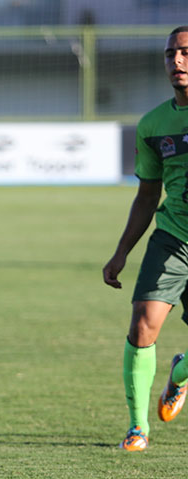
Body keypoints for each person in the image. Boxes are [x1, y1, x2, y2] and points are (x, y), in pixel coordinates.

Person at [102, 26, 188, 451]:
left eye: (186, 53)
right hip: (173, 238)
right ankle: (138, 428)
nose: (177, 61)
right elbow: (148, 194)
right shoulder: (154, 124)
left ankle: (179, 375)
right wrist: (121, 253)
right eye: (171, 53)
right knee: (141, 327)